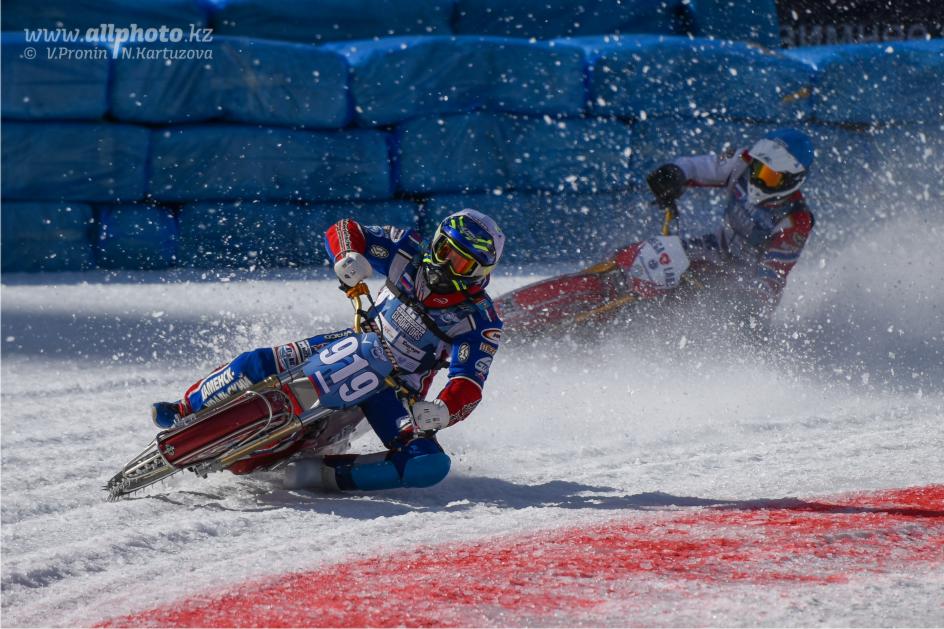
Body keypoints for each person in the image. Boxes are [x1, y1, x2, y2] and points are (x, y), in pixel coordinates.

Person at [150, 209, 505, 492]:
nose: (446, 265)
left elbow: (469, 382)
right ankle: (185, 409)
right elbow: (347, 229)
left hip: (397, 389)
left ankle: (320, 474)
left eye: (462, 263)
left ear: (480, 272)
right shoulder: (406, 248)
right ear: (436, 242)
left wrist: (443, 411)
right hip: (351, 343)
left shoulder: (479, 319)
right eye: (445, 251)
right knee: (255, 363)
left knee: (425, 464)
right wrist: (348, 255)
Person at [646, 127, 815, 321]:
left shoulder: (795, 220)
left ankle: (657, 327)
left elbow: (772, 276)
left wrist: (751, 303)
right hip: (715, 246)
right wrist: (675, 173)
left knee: (690, 297)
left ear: (791, 180)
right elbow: (700, 167)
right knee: (650, 256)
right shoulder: (744, 162)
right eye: (757, 168)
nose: (756, 179)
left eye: (769, 176)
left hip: (742, 281)